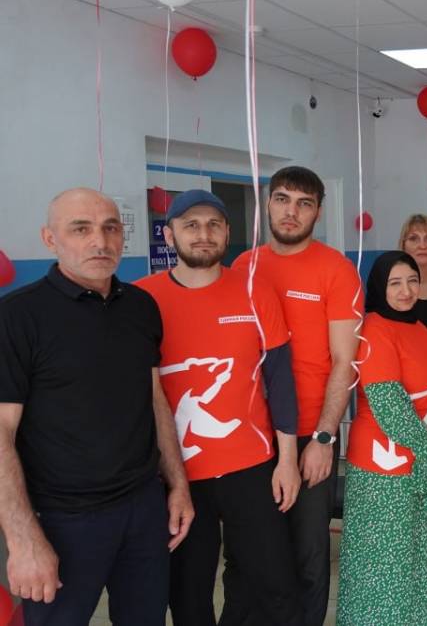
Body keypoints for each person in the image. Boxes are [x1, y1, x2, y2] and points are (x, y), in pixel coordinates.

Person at [0, 188, 192, 625]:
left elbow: (155, 400)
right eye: (80, 229)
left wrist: (177, 484)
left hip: (143, 509)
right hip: (62, 519)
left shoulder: (140, 306)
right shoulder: (17, 317)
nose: (100, 242)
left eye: (110, 229)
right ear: (50, 239)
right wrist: (23, 539)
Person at [135, 190, 303, 626]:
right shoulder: (140, 299)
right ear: (169, 235)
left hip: (252, 466)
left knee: (276, 587)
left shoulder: (255, 291)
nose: (203, 234)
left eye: (213, 225)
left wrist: (287, 461)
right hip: (176, 476)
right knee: (189, 595)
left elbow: (280, 381)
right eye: (190, 225)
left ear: (228, 232)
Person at [231, 166, 361, 626]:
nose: (292, 211)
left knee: (308, 552)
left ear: (318, 212)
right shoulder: (244, 266)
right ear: (267, 204)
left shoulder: (336, 270)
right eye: (283, 199)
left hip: (310, 432)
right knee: (252, 551)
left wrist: (324, 438)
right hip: (251, 436)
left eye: (304, 203)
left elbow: (344, 361)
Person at [337, 251, 427, 625]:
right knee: (384, 569)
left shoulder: (422, 329)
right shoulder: (374, 330)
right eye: (395, 283)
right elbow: (389, 406)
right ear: (379, 287)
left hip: (422, 467)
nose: (406, 290)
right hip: (384, 474)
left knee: (419, 564)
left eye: (412, 280)